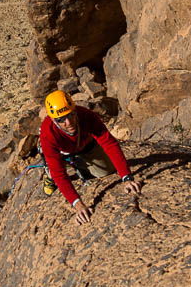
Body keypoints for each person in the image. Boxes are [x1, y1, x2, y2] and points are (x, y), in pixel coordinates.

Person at [39, 89, 140, 225]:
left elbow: (109, 143)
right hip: (61, 153)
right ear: (53, 119)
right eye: (61, 119)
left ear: (75, 110)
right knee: (54, 171)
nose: (68, 122)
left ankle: (80, 164)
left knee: (107, 170)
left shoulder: (86, 115)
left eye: (71, 115)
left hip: (85, 145)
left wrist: (126, 177)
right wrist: (78, 204)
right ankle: (48, 174)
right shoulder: (48, 134)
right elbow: (59, 172)